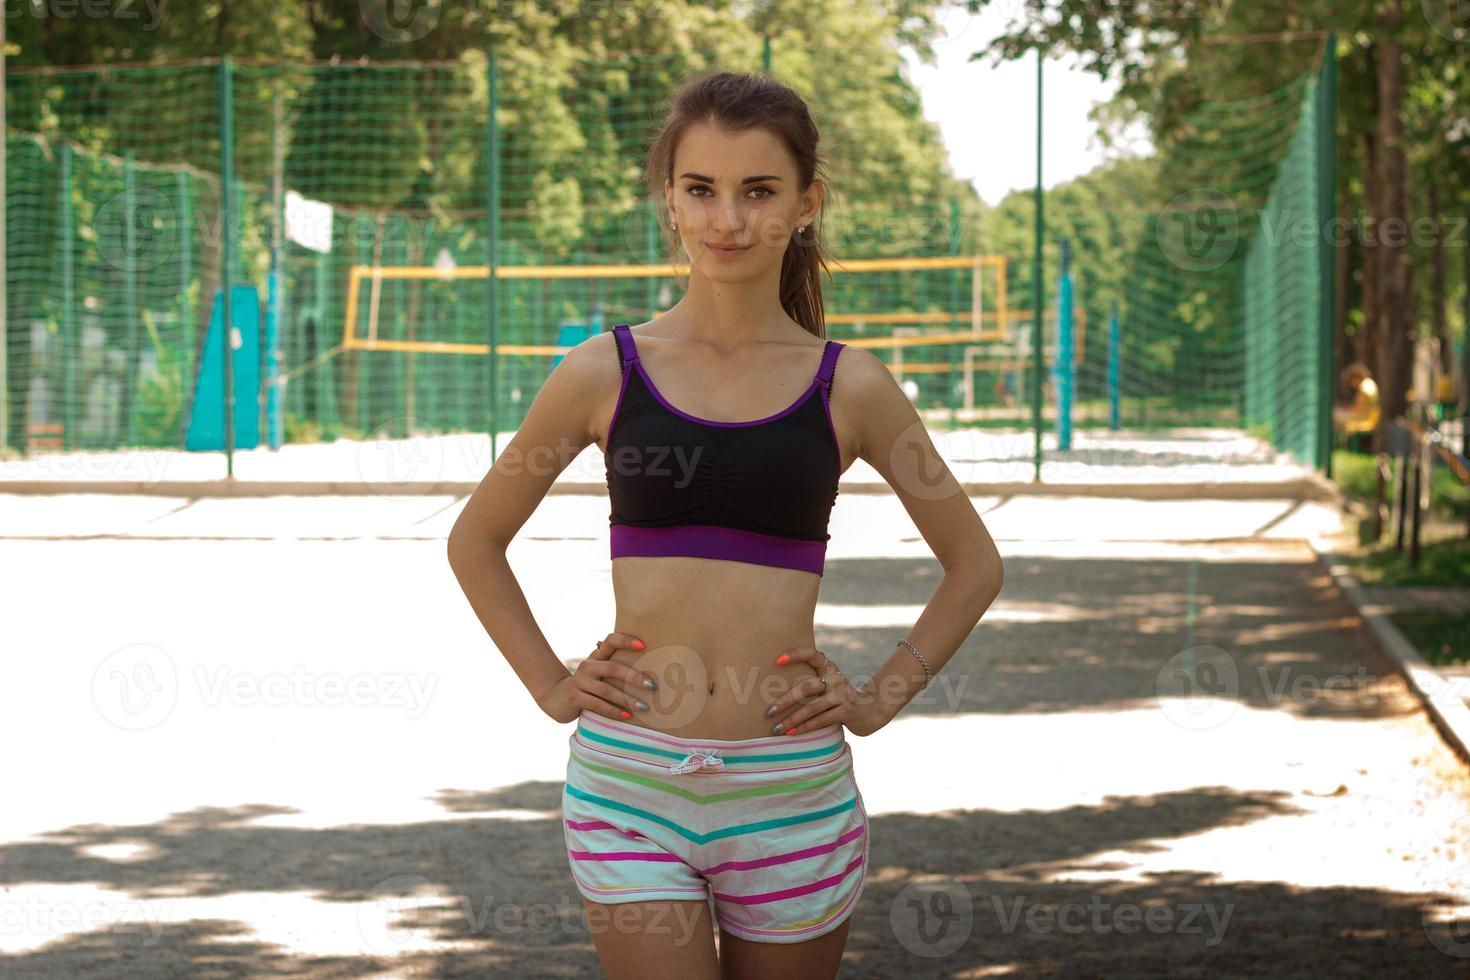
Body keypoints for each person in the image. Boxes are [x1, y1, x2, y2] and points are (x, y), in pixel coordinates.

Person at [447, 70, 1005, 980]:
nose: (728, 221)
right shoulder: (604, 371)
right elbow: (474, 540)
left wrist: (875, 700)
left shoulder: (851, 385)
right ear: (668, 197)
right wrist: (551, 687)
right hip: (630, 786)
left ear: (806, 202)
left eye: (759, 192)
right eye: (701, 190)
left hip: (791, 792)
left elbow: (974, 564)